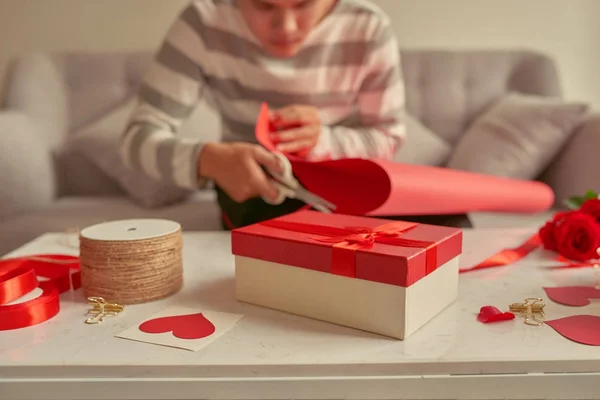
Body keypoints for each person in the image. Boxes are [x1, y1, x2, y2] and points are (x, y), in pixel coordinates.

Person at [119, 0, 406, 229]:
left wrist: (323, 142)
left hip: (342, 202)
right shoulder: (203, 22)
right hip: (248, 207)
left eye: (303, 4)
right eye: (264, 5)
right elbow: (135, 142)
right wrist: (207, 160)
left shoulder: (369, 27)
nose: (286, 27)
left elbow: (388, 138)